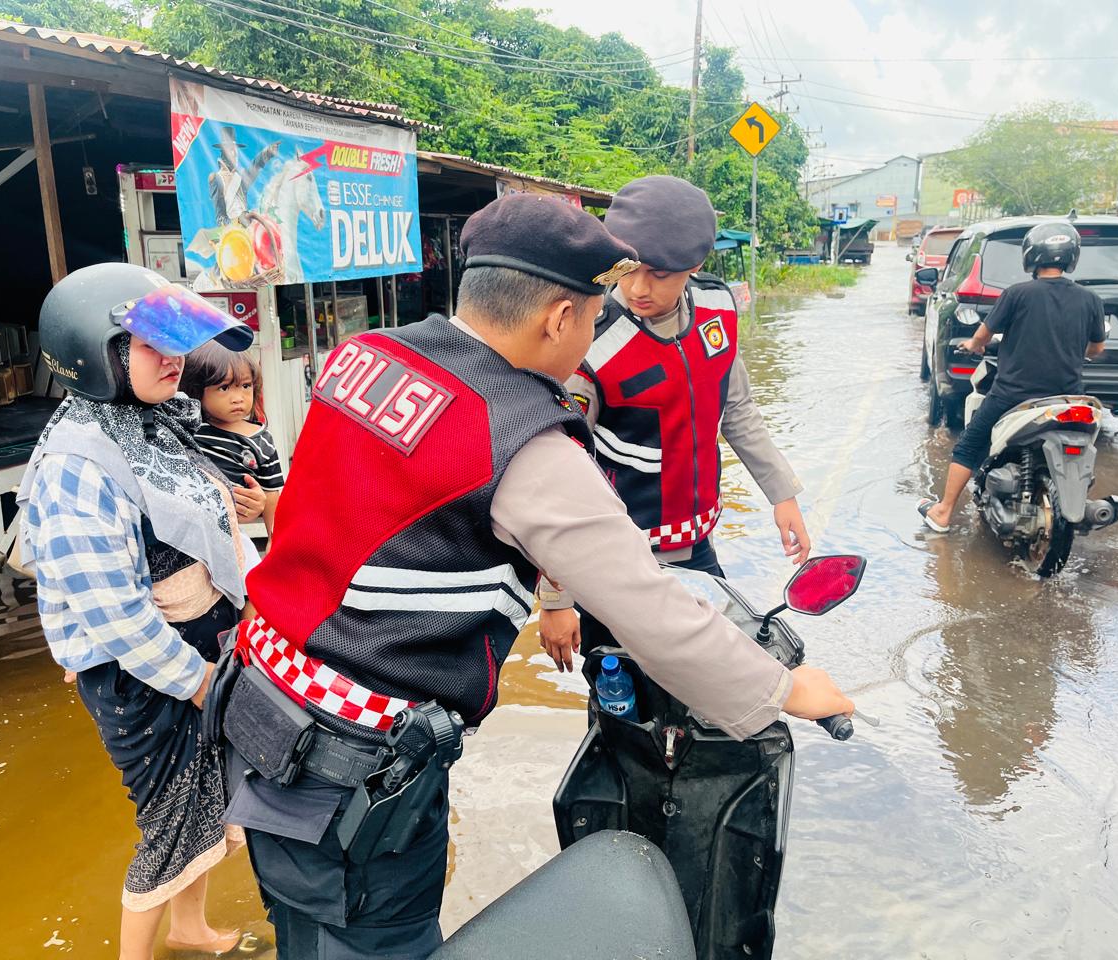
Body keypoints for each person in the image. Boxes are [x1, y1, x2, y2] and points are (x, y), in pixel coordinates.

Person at [220, 193, 853, 959]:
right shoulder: (523, 440)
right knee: (376, 940)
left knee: (307, 931)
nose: (594, 335)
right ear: (559, 318)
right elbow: (650, 610)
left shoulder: (366, 356)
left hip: (260, 710)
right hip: (355, 761)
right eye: (591, 316)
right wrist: (783, 690)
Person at [15, 264, 258, 960]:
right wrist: (200, 680)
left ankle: (190, 929)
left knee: (208, 799)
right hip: (145, 672)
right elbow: (114, 616)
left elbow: (216, 531)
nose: (174, 359)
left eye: (176, 342)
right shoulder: (77, 465)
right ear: (98, 355)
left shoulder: (152, 423)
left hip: (200, 645)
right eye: (152, 344)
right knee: (170, 819)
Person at [539, 175, 810, 671]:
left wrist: (782, 495)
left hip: (696, 549)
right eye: (628, 270)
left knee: (718, 676)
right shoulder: (591, 341)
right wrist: (556, 599)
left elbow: (738, 409)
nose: (638, 288)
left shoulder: (717, 309)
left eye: (660, 274)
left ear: (695, 266)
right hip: (616, 561)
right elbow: (558, 473)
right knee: (623, 692)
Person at [919, 220, 1106, 532]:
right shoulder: (1090, 300)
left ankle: (943, 512)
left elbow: (982, 335)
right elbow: (1097, 348)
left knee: (968, 446)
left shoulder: (1017, 294)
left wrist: (973, 345)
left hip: (1014, 395)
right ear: (1072, 256)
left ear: (1031, 256)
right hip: (1068, 397)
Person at [182, 342, 285, 534]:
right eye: (224, 388)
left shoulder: (261, 439)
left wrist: (273, 538)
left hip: (239, 533)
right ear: (198, 390)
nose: (238, 398)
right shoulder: (189, 430)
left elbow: (271, 493)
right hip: (196, 531)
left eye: (245, 386)